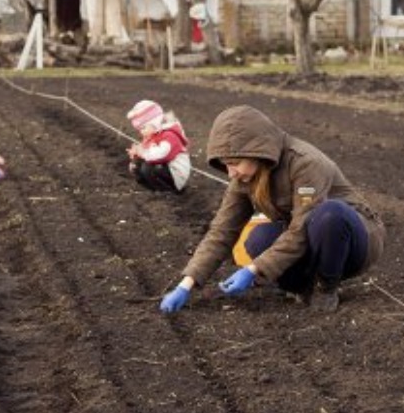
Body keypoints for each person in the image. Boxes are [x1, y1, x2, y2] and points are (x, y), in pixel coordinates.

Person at [159, 105, 384, 314]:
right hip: (307, 235)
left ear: (256, 152)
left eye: (234, 164)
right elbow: (222, 231)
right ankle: (302, 288)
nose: (231, 173)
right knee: (259, 239)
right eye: (226, 165)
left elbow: (301, 228)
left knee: (329, 214)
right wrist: (187, 284)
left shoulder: (305, 163)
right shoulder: (245, 178)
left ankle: (326, 286)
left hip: (353, 240)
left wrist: (254, 269)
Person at [126, 99, 191, 194]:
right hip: (164, 168)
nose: (141, 132)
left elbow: (162, 155)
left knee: (149, 167)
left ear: (154, 123)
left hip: (176, 173)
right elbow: (147, 149)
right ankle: (153, 188)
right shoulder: (153, 134)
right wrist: (137, 153)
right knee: (136, 165)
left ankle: (168, 191)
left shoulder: (169, 135)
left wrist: (142, 152)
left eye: (143, 127)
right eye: (139, 129)